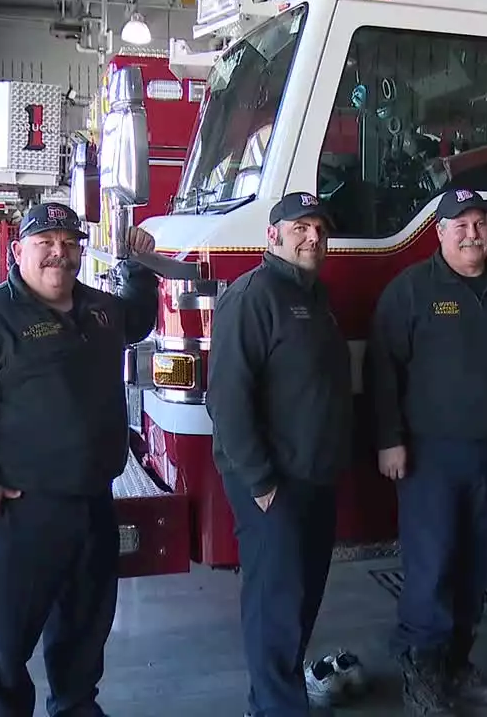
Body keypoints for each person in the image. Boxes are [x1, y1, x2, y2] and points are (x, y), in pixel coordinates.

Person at [0, 202, 159, 717]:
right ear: (18, 250)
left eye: (70, 242)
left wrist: (139, 270)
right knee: (6, 652)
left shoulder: (99, 311)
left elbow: (137, 323)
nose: (60, 252)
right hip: (20, 517)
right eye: (45, 242)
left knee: (83, 640)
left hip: (93, 509)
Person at [368, 188, 487, 716]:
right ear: (438, 233)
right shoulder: (411, 290)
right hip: (429, 457)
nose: (471, 233)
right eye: (459, 225)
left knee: (481, 566)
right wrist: (389, 439)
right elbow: (382, 370)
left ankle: (456, 664)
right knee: (432, 564)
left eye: (479, 224)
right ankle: (421, 674)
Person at [205, 192, 352, 717]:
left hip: (314, 478)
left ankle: (269, 702)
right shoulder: (252, 295)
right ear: (273, 236)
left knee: (300, 602)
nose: (313, 237)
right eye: (301, 228)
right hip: (274, 486)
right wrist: (262, 482)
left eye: (320, 228)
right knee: (276, 608)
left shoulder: (315, 297)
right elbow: (225, 397)